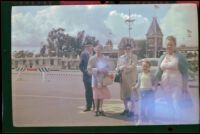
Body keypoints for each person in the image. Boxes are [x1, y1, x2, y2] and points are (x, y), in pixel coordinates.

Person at [154, 36, 189, 124]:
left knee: (175, 101)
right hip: (165, 84)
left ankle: (178, 122)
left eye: (171, 45)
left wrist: (185, 86)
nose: (169, 46)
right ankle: (173, 120)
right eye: (167, 45)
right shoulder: (162, 57)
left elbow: (185, 72)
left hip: (177, 83)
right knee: (169, 102)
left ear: (175, 45)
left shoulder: (179, 57)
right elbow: (159, 72)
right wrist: (155, 85)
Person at [87, 45, 111, 116]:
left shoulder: (105, 58)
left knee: (102, 94)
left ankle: (101, 108)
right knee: (95, 94)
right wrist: (97, 70)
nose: (98, 51)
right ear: (95, 50)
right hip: (95, 78)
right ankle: (95, 109)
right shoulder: (92, 58)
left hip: (102, 78)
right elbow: (89, 68)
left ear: (102, 50)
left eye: (100, 49)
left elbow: (108, 67)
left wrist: (105, 70)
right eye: (97, 49)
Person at [116, 44, 138, 117]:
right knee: (124, 94)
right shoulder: (121, 57)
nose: (128, 50)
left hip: (131, 77)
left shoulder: (134, 57)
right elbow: (118, 66)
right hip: (123, 78)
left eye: (129, 49)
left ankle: (132, 110)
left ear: (131, 49)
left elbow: (133, 65)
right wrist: (119, 68)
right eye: (126, 49)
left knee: (132, 94)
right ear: (124, 50)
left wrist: (124, 67)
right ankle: (126, 109)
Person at [134, 60, 155, 125]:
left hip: (150, 92)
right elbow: (138, 83)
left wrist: (154, 87)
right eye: (143, 66)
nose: (144, 67)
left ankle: (150, 121)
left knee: (150, 106)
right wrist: (135, 87)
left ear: (149, 67)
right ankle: (140, 120)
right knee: (141, 106)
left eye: (146, 66)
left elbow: (154, 84)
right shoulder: (140, 74)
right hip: (142, 92)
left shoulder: (152, 75)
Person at [79, 42, 95, 112]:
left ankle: (96, 106)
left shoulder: (96, 53)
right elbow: (80, 66)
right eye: (87, 47)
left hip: (95, 76)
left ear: (92, 47)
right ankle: (88, 106)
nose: (88, 48)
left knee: (95, 91)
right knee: (88, 91)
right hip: (87, 76)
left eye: (90, 46)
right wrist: (86, 72)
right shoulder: (83, 54)